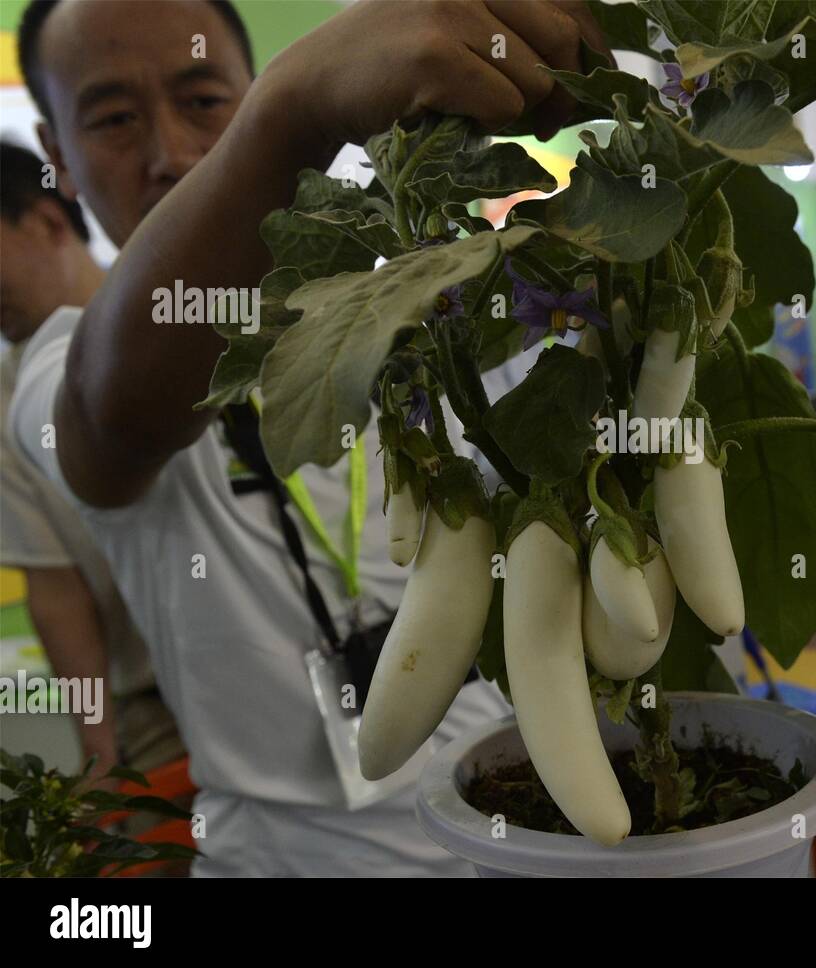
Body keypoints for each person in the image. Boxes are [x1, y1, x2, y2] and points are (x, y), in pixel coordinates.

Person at [10, 0, 611, 875]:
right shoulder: (60, 362)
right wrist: (293, 112)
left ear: (242, 90)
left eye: (206, 100)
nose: (170, 154)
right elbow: (117, 417)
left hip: (524, 836)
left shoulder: (430, 296)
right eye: (111, 119)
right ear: (56, 155)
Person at [1, 142, 184, 778]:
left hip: (294, 662)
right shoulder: (5, 404)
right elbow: (57, 589)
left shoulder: (179, 315)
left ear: (47, 222)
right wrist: (102, 755)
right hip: (154, 710)